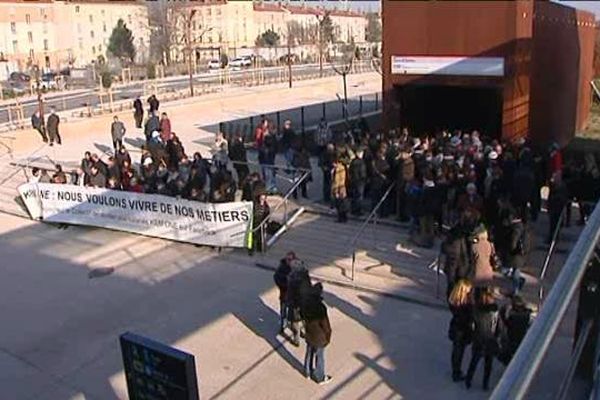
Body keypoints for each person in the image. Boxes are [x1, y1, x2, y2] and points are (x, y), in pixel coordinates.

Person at [465, 287, 504, 391]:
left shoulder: (476, 311)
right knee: (488, 364)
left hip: (479, 339)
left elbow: (472, 325)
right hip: (490, 340)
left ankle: (468, 380)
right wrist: (496, 336)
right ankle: (485, 384)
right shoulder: (495, 312)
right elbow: (499, 327)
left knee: (474, 361)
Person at [303, 282, 333, 384]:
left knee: (309, 352)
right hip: (320, 337)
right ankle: (320, 377)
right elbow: (326, 326)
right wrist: (328, 337)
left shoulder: (306, 304)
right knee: (320, 357)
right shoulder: (321, 307)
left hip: (309, 332)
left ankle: (307, 371)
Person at [448, 279, 474, 382]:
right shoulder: (466, 304)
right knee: (460, 351)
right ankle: (456, 372)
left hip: (455, 327)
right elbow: (469, 316)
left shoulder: (454, 300)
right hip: (463, 329)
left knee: (456, 350)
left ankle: (455, 370)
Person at [498, 295, 532, 365]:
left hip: (513, 340)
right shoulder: (526, 315)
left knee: (505, 355)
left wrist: (503, 311)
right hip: (522, 339)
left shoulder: (514, 316)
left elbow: (507, 323)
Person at [274, 252, 296, 335]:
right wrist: (283, 286)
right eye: (287, 259)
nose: (288, 261)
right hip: (284, 295)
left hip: (294, 297)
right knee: (283, 312)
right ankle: (282, 327)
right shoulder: (282, 268)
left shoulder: (296, 267)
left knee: (295, 314)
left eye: (290, 259)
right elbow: (276, 278)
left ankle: (295, 330)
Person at [349, 149, 367, 215]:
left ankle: (353, 210)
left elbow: (350, 171)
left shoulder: (353, 161)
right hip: (360, 181)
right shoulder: (361, 162)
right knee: (359, 196)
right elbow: (362, 173)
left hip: (354, 181)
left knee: (354, 196)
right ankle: (358, 210)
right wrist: (364, 179)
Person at [331, 158, 348, 223]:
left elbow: (339, 180)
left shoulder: (340, 169)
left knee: (340, 204)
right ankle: (342, 217)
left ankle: (342, 218)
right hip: (338, 188)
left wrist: (337, 190)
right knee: (340, 204)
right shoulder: (336, 169)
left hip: (340, 188)